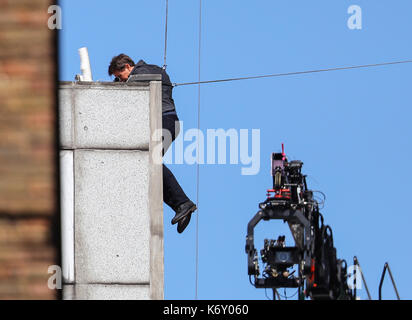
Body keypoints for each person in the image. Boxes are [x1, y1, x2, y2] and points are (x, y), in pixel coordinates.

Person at [108, 54, 197, 233]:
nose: (120, 79)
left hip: (165, 121)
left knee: (150, 160)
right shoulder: (140, 73)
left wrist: (120, 86)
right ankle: (181, 205)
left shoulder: (145, 70)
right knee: (149, 165)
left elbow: (140, 81)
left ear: (127, 66)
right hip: (163, 122)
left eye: (119, 76)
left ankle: (183, 203)